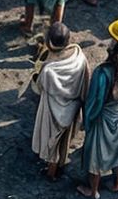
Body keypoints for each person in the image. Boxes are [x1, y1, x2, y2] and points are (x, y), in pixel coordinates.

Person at [77, 19, 118, 199]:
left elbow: (93, 102)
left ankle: (93, 190)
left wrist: (87, 121)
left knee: (95, 157)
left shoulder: (103, 72)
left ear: (113, 40)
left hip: (104, 121)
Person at [28, 22, 88, 178]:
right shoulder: (78, 56)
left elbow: (40, 86)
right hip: (72, 107)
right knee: (62, 141)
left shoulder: (49, 70)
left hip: (52, 109)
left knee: (51, 142)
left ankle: (51, 173)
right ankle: (56, 166)